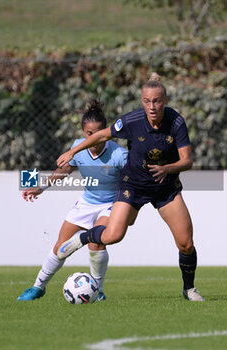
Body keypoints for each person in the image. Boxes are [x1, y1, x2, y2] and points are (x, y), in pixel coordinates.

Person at [56, 73, 204, 302]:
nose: (152, 106)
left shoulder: (176, 122)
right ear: (142, 101)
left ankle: (189, 289)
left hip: (165, 186)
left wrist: (168, 168)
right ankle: (83, 239)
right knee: (113, 235)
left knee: (186, 243)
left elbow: (187, 161)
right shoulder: (132, 121)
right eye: (147, 101)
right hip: (133, 185)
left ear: (164, 100)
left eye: (156, 100)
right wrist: (72, 152)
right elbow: (100, 135)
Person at [17, 100, 128, 301]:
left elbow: (134, 180)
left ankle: (98, 290)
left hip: (111, 204)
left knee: (96, 243)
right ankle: (38, 287)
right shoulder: (77, 147)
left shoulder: (119, 154)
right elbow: (65, 169)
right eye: (89, 133)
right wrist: (42, 186)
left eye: (98, 132)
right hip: (86, 203)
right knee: (61, 247)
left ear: (106, 131)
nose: (93, 138)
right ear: (83, 132)